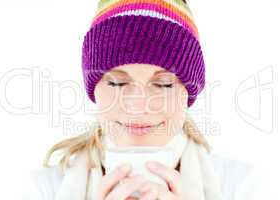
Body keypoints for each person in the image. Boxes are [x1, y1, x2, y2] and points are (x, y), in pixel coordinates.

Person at [21, 0, 269, 199]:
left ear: (189, 92)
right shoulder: (41, 190)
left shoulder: (242, 187)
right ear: (94, 88)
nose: (138, 106)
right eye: (117, 83)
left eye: (163, 84)